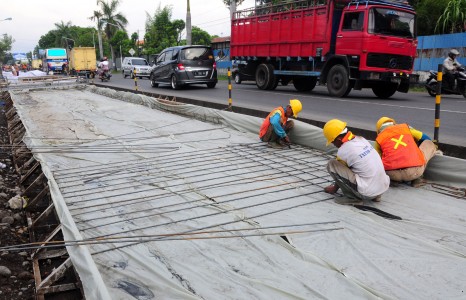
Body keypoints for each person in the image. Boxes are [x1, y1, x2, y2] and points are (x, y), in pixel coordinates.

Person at [323, 119, 390, 204]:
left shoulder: (344, 150)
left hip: (367, 193)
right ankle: (376, 196)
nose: (333, 144)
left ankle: (352, 197)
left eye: (333, 142)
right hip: (383, 187)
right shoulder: (361, 139)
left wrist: (334, 188)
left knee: (332, 164)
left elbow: (341, 173)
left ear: (339, 139)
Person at [374, 117, 437, 186]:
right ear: (393, 123)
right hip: (414, 172)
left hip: (391, 174)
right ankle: (417, 179)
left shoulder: (379, 138)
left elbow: (377, 160)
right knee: (428, 143)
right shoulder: (405, 128)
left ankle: (394, 181)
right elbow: (424, 137)